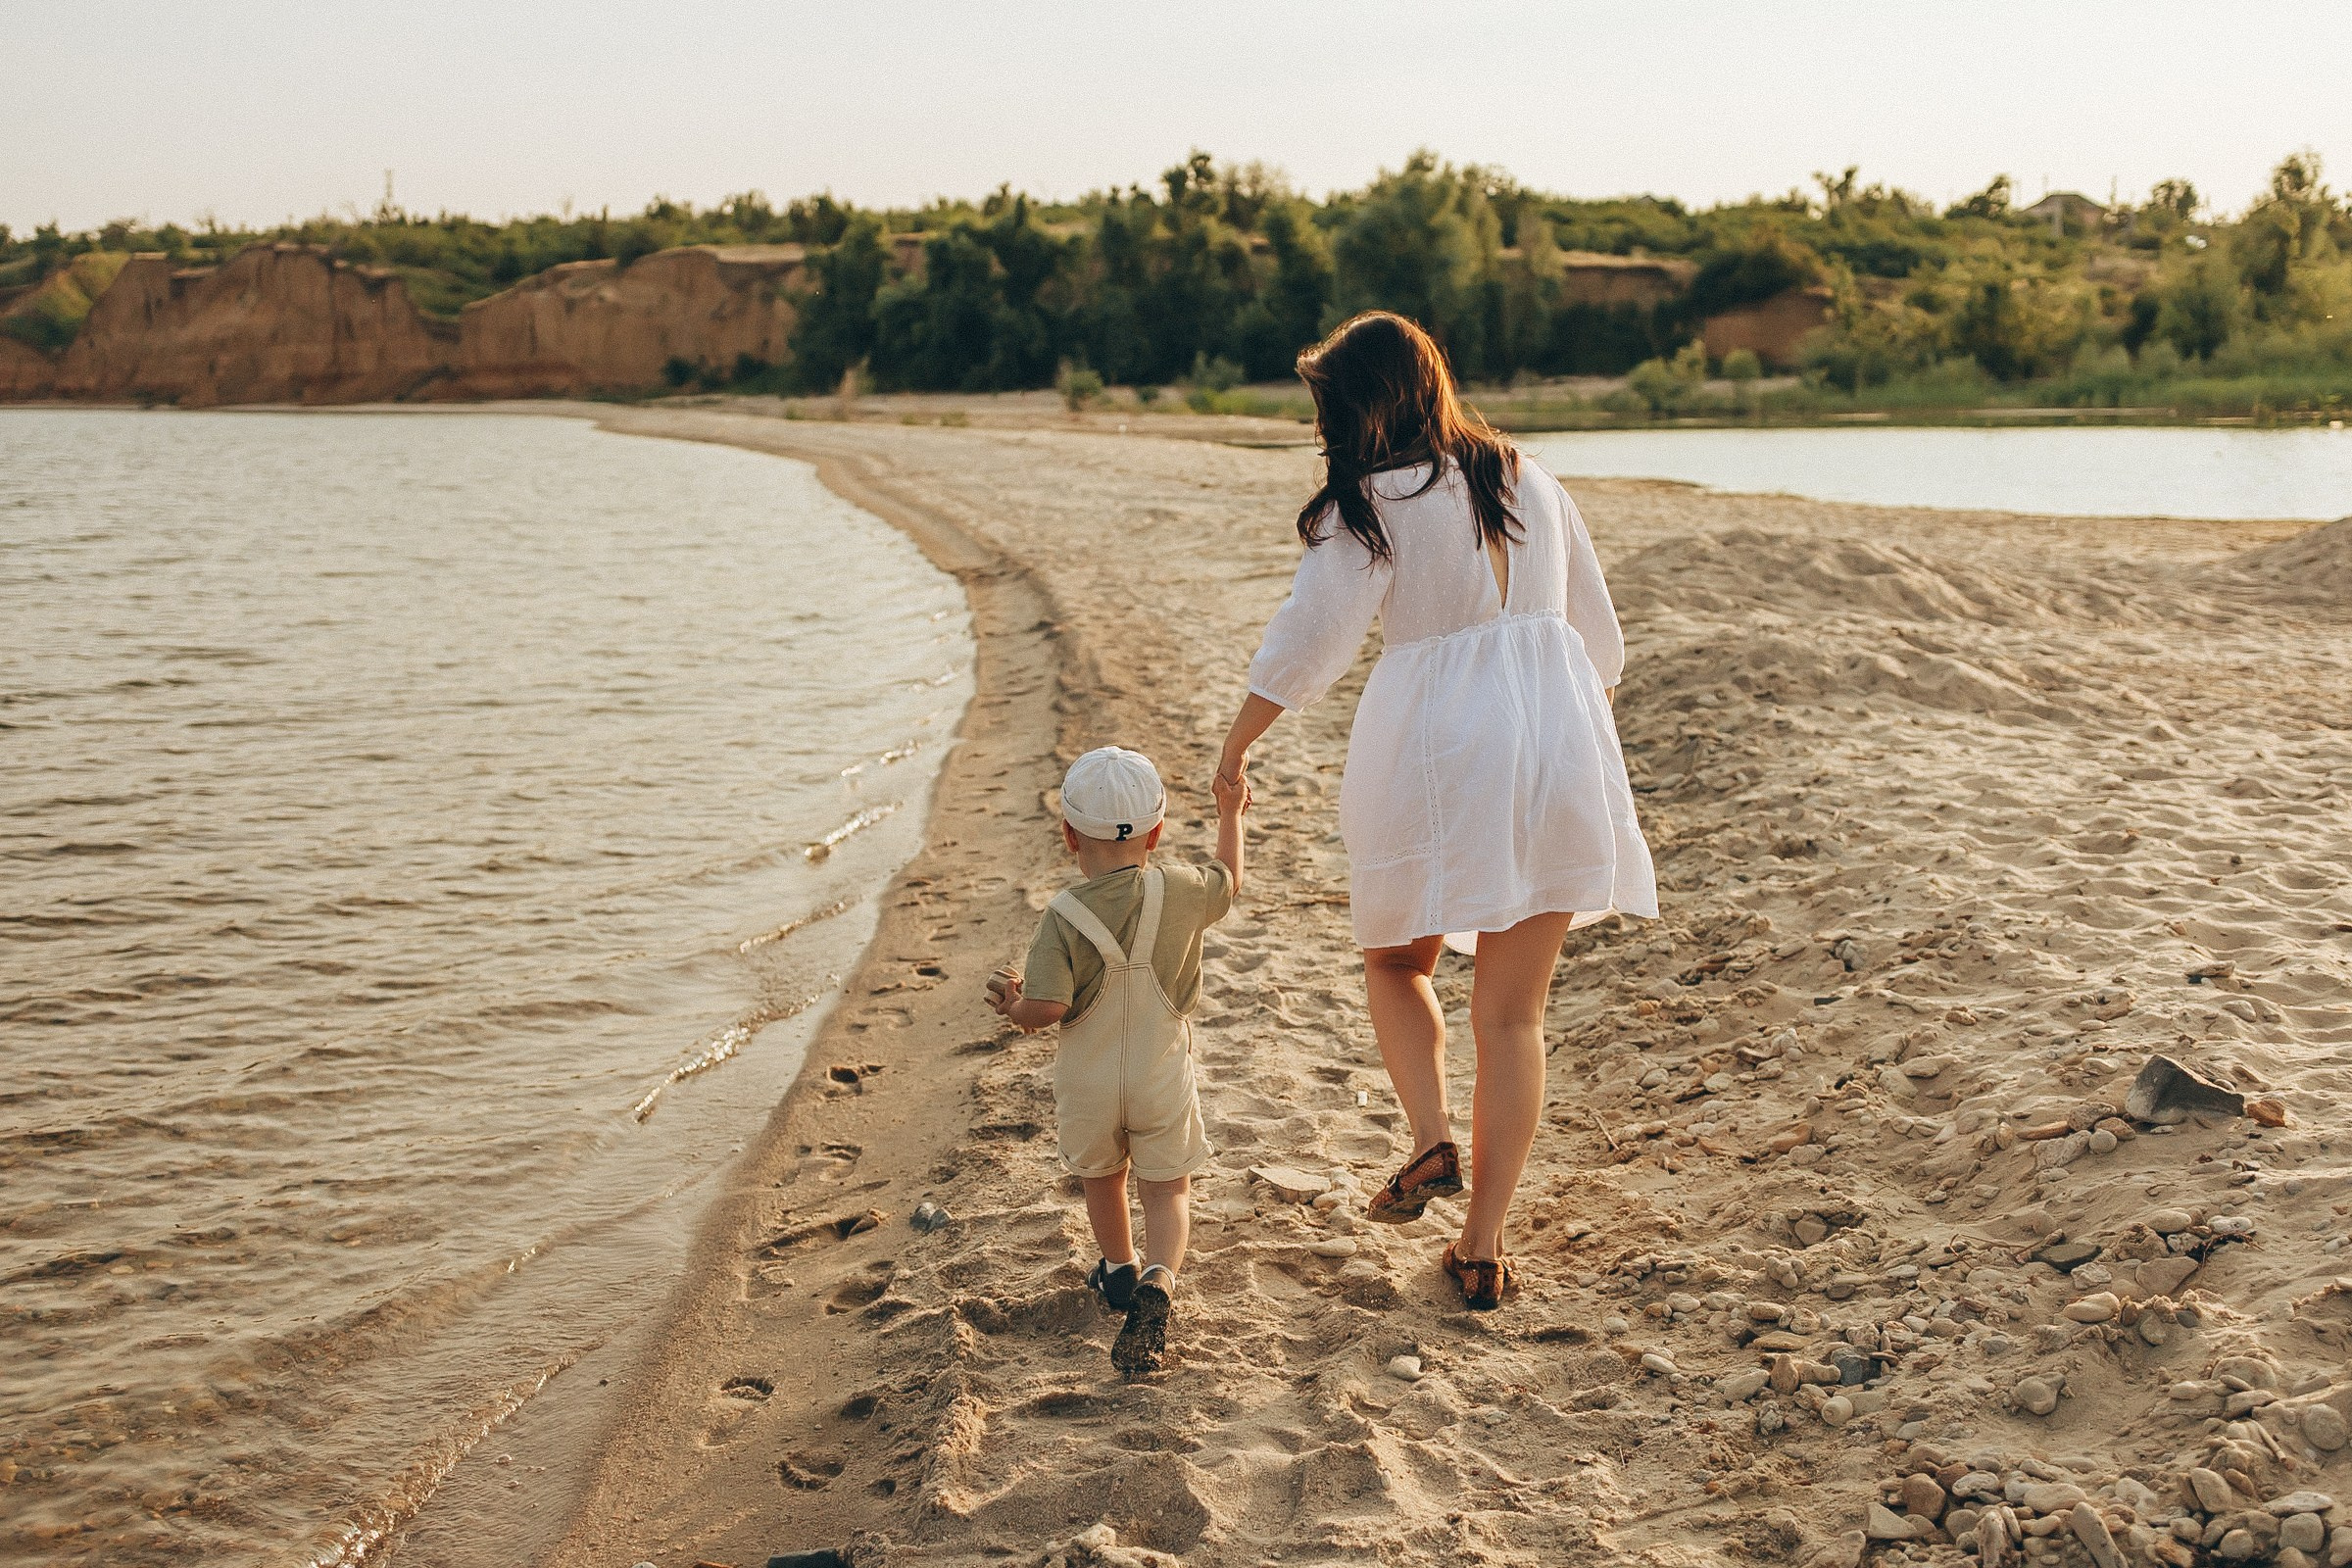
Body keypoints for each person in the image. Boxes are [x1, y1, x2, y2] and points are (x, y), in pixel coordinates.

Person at [1215, 312, 1656, 1310]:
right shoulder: (1531, 477)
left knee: (1395, 960)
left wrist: (1236, 745)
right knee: (1514, 1014)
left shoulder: (1372, 500)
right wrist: (1553, 732)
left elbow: (1312, 639)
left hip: (1436, 745)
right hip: (1558, 742)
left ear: (1355, 405)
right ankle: (1485, 1245)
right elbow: (1602, 640)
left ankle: (1429, 1139)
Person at [985, 745, 1249, 1373]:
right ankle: (1160, 1277)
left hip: (1090, 1081)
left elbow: (1048, 1007)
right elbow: (1229, 881)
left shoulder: (1063, 915)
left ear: (1068, 835)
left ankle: (1118, 1269)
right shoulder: (1183, 890)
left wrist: (1013, 1006)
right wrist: (1230, 811)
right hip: (1161, 1075)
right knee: (1168, 1188)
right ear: (1157, 832)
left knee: (1103, 1177)